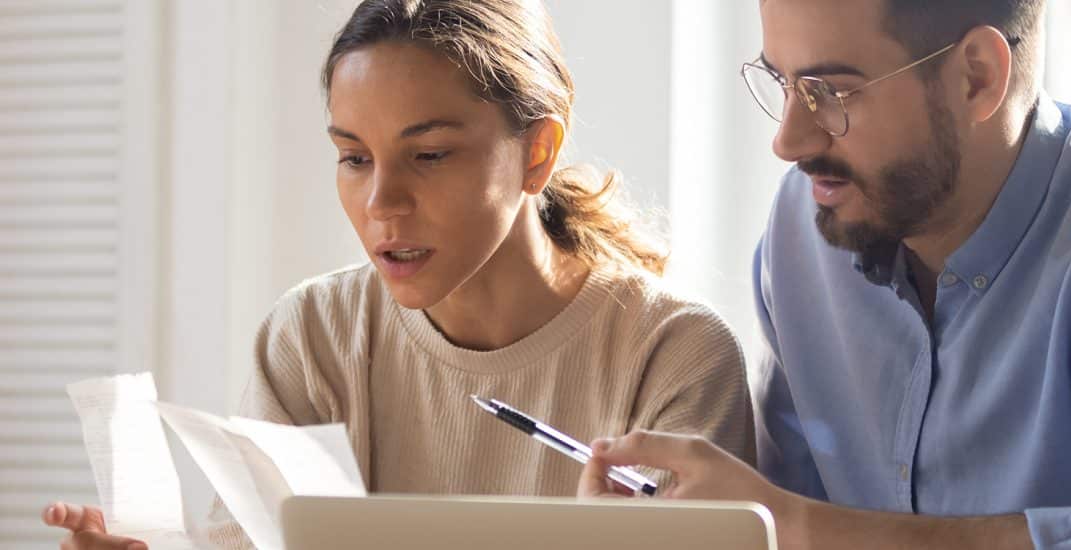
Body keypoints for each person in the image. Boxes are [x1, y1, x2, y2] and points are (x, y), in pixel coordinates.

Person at [43, 0, 754, 548]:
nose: (382, 202)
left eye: (431, 155)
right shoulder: (313, 337)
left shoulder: (674, 355)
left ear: (538, 151)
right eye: (354, 158)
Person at [580, 0, 1071, 549]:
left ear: (976, 77)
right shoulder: (802, 230)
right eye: (782, 82)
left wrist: (791, 524)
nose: (788, 142)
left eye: (827, 93)